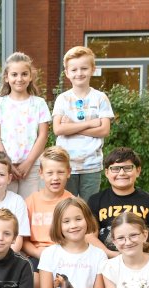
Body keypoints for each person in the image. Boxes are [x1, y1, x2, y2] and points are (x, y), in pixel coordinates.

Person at [52, 46, 114, 201]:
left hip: (91, 164)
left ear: (93, 69)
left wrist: (72, 126)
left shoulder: (100, 98)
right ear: (67, 73)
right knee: (66, 206)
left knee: (89, 208)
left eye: (84, 68)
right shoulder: (63, 99)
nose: (79, 73)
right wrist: (91, 123)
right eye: (74, 70)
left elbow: (104, 130)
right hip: (66, 165)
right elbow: (58, 129)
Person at [87, 147, 149, 258]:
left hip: (142, 262)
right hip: (107, 262)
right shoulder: (95, 200)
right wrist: (111, 255)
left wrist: (140, 255)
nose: (122, 173)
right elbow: (89, 236)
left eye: (128, 168)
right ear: (107, 172)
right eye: (115, 169)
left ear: (138, 171)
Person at [0, 52, 50, 199]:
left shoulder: (39, 103)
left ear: (30, 76)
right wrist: (7, 163)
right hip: (6, 166)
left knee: (30, 207)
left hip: (32, 166)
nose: (19, 79)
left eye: (24, 74)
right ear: (6, 77)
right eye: (14, 74)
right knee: (6, 209)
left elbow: (43, 135)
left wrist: (28, 163)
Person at [22, 146, 75, 288]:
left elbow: (77, 239)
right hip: (36, 254)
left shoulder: (71, 202)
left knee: (63, 285)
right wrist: (42, 254)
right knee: (33, 283)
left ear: (68, 172)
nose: (55, 178)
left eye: (60, 172)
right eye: (50, 173)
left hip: (64, 255)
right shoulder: (31, 201)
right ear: (41, 173)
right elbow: (23, 241)